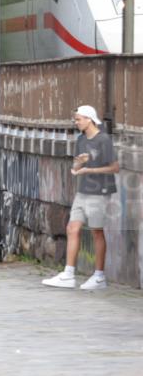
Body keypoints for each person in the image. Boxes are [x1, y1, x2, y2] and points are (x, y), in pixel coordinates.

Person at [43, 105, 120, 290]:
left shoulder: (104, 140)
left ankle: (99, 277)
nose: (76, 122)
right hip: (83, 190)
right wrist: (78, 165)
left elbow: (115, 167)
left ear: (89, 119)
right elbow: (76, 166)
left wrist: (89, 168)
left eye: (78, 119)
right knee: (72, 227)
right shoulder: (81, 140)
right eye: (75, 119)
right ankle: (68, 274)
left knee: (96, 231)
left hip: (100, 191)